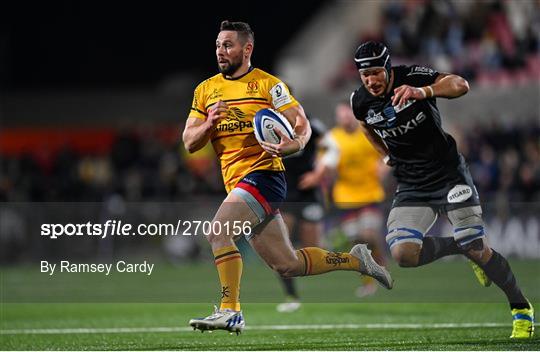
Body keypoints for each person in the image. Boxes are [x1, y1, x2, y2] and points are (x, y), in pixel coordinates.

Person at [182, 22, 393, 334]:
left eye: (228, 45)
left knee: (218, 232)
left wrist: (295, 143)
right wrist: (209, 123)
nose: (220, 51)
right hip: (237, 182)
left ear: (247, 49)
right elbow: (189, 141)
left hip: (265, 176)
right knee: (288, 264)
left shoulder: (269, 86)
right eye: (217, 45)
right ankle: (356, 260)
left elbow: (301, 122)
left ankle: (230, 311)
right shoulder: (205, 91)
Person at [350, 41, 534, 339]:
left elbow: (461, 84)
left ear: (387, 67)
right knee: (403, 254)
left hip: (449, 175)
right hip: (411, 182)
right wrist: (385, 155)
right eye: (364, 75)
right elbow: (366, 127)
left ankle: (521, 308)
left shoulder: (413, 76)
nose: (371, 80)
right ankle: (460, 247)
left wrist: (424, 92)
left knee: (477, 247)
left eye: (375, 72)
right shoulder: (359, 100)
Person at [300, 102, 388, 298]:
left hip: (370, 194)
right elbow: (324, 165)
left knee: (369, 235)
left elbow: (386, 156)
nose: (345, 118)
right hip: (345, 197)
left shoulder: (369, 133)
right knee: (357, 240)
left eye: (348, 114)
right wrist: (322, 176)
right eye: (341, 115)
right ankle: (368, 282)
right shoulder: (332, 138)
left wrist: (383, 168)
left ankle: (381, 263)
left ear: (354, 115)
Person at [277, 115, 326, 313]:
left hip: (308, 195)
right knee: (280, 250)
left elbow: (331, 148)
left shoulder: (312, 125)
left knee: (313, 249)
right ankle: (291, 296)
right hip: (283, 195)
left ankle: (349, 256)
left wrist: (318, 173)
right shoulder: (266, 124)